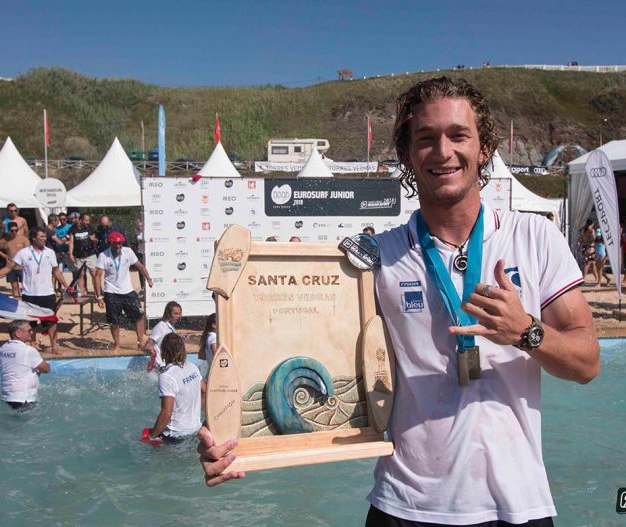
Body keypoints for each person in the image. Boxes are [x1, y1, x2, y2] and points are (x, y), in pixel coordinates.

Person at [197, 77, 600, 526]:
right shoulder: (374, 260)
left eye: (458, 135)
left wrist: (527, 332)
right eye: (425, 139)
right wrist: (232, 436)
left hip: (518, 507)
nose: (443, 151)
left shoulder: (535, 237)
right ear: (407, 154)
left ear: (484, 148)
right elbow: (295, 343)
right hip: (404, 507)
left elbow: (587, 363)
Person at [0, 227, 67, 354]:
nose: (44, 238)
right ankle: (33, 346)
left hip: (47, 293)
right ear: (34, 238)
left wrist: (65, 285)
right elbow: (9, 267)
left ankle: (54, 347)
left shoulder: (50, 252)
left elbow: (56, 271)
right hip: (29, 294)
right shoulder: (24, 253)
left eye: (45, 236)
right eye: (41, 236)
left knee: (52, 322)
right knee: (30, 324)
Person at [94, 231, 153, 350]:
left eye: (120, 243)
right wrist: (99, 297)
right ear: (111, 243)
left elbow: (140, 266)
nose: (119, 246)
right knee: (114, 321)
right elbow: (97, 277)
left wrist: (148, 278)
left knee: (139, 317)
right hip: (111, 292)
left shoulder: (128, 251)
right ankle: (117, 345)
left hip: (128, 291)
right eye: (116, 244)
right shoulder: (103, 256)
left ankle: (140, 342)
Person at [147, 333, 207, 443]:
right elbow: (205, 392)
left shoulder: (167, 377)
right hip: (196, 429)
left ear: (163, 352)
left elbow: (166, 413)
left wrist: (151, 436)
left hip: (176, 435)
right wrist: (193, 413)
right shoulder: (193, 368)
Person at [0, 319, 50, 411]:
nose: (32, 332)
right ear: (18, 333)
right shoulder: (28, 350)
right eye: (29, 330)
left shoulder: (2, 349)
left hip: (7, 397)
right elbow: (46, 369)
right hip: (24, 399)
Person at [0, 221, 30, 298]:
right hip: (10, 267)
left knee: (26, 287)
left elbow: (29, 251)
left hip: (22, 267)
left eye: (16, 230)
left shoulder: (23, 239)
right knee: (14, 287)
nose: (14, 232)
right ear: (8, 230)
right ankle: (17, 302)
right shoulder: (5, 240)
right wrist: (4, 255)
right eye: (12, 231)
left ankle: (27, 301)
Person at [143, 301, 182, 372]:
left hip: (167, 365)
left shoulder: (171, 326)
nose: (178, 316)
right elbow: (147, 346)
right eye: (175, 314)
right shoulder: (160, 327)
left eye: (179, 314)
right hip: (160, 366)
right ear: (168, 313)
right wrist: (153, 358)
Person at [67, 212, 98, 295]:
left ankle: (97, 292)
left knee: (94, 273)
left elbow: (96, 241)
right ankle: (81, 291)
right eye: (86, 220)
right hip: (78, 255)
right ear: (80, 220)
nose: (88, 222)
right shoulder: (72, 229)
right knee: (80, 274)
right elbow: (71, 242)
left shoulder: (90, 228)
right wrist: (71, 254)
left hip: (90, 254)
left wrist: (94, 240)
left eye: (88, 220)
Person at [198, 313, 217, 380]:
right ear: (214, 325)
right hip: (216, 374)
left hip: (210, 373)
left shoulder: (208, 336)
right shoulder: (214, 337)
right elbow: (217, 357)